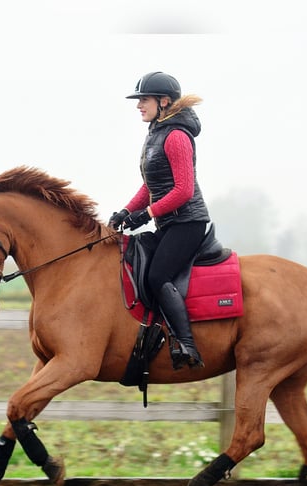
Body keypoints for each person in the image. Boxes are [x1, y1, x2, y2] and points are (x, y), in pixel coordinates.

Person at [108, 71, 210, 369]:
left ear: (164, 102)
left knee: (156, 276)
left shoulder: (177, 136)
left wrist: (147, 214)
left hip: (187, 224)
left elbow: (183, 190)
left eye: (144, 100)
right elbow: (150, 186)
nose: (139, 105)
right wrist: (126, 211)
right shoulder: (157, 133)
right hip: (169, 223)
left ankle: (186, 343)